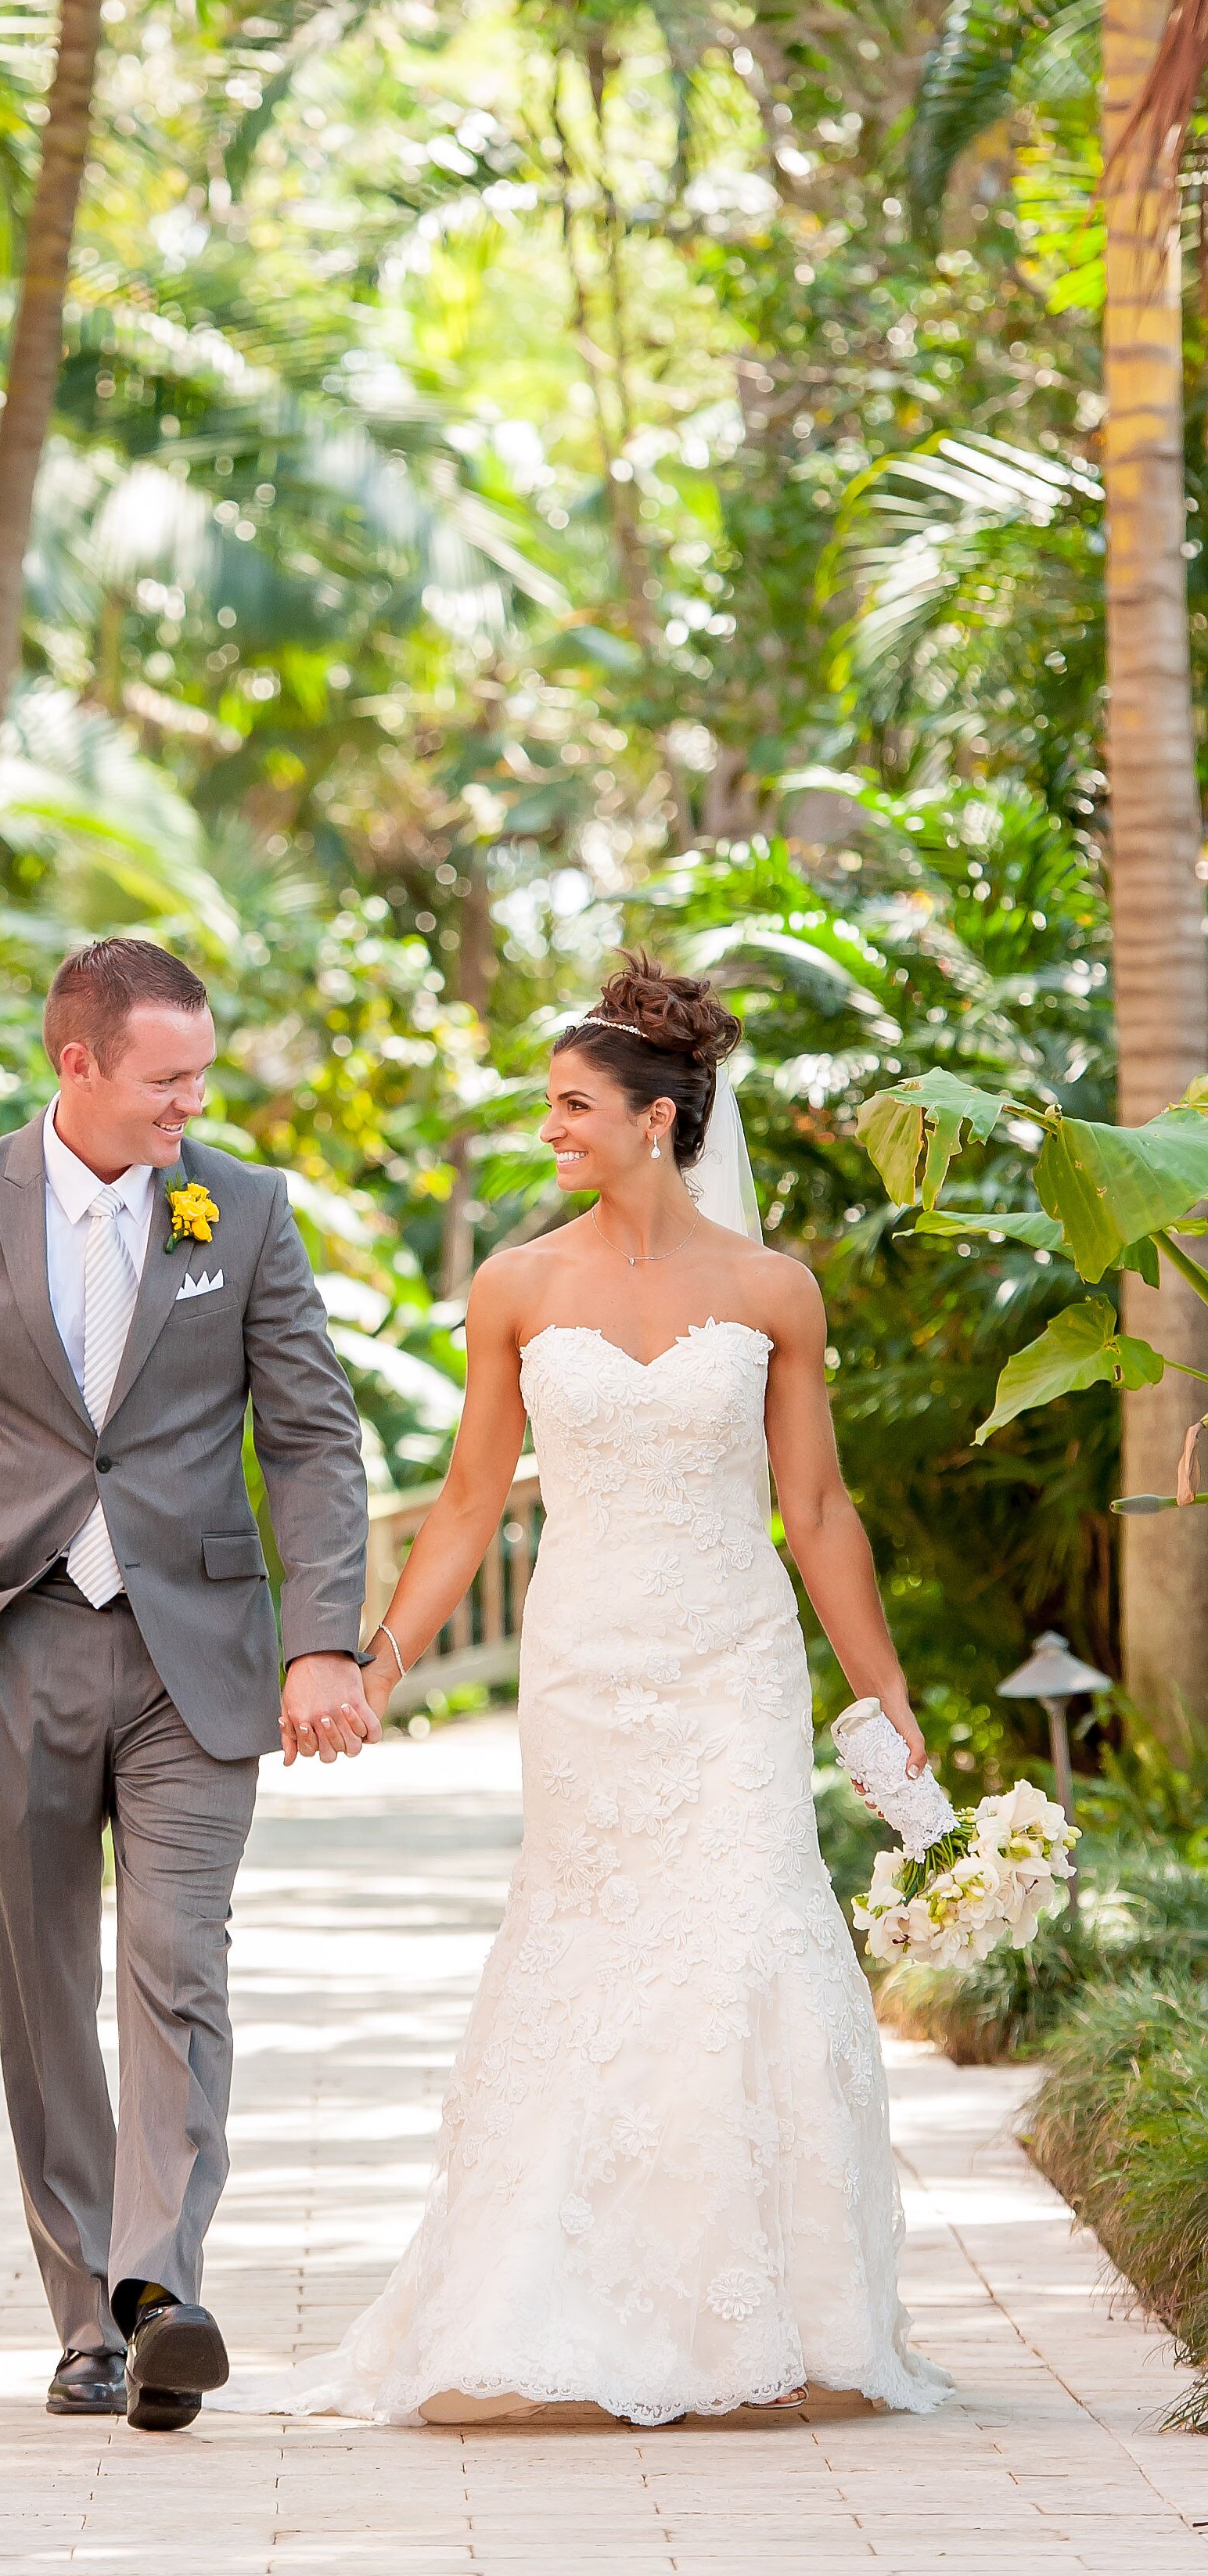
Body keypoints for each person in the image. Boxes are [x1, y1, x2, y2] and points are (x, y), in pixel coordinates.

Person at [222, 955, 951, 2427]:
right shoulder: (517, 1284)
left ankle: (771, 2316)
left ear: (662, 1120)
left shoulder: (772, 1291)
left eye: (573, 1104)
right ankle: (550, 2303)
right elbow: (473, 1500)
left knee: (748, 1937)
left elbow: (816, 1511)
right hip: (585, 1667)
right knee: (594, 1949)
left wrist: (883, 1696)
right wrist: (381, 1659)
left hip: (734, 1659)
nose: (550, 1125)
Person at [0, 937, 372, 2430]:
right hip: (10, 1647)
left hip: (200, 1657)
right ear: (78, 1063)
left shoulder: (241, 1209)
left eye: (202, 1074)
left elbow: (311, 1436)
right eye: (168, 1077)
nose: (195, 1103)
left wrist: (322, 1634)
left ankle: (159, 2290)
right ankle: (85, 2321)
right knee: (46, 1993)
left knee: (178, 1964)